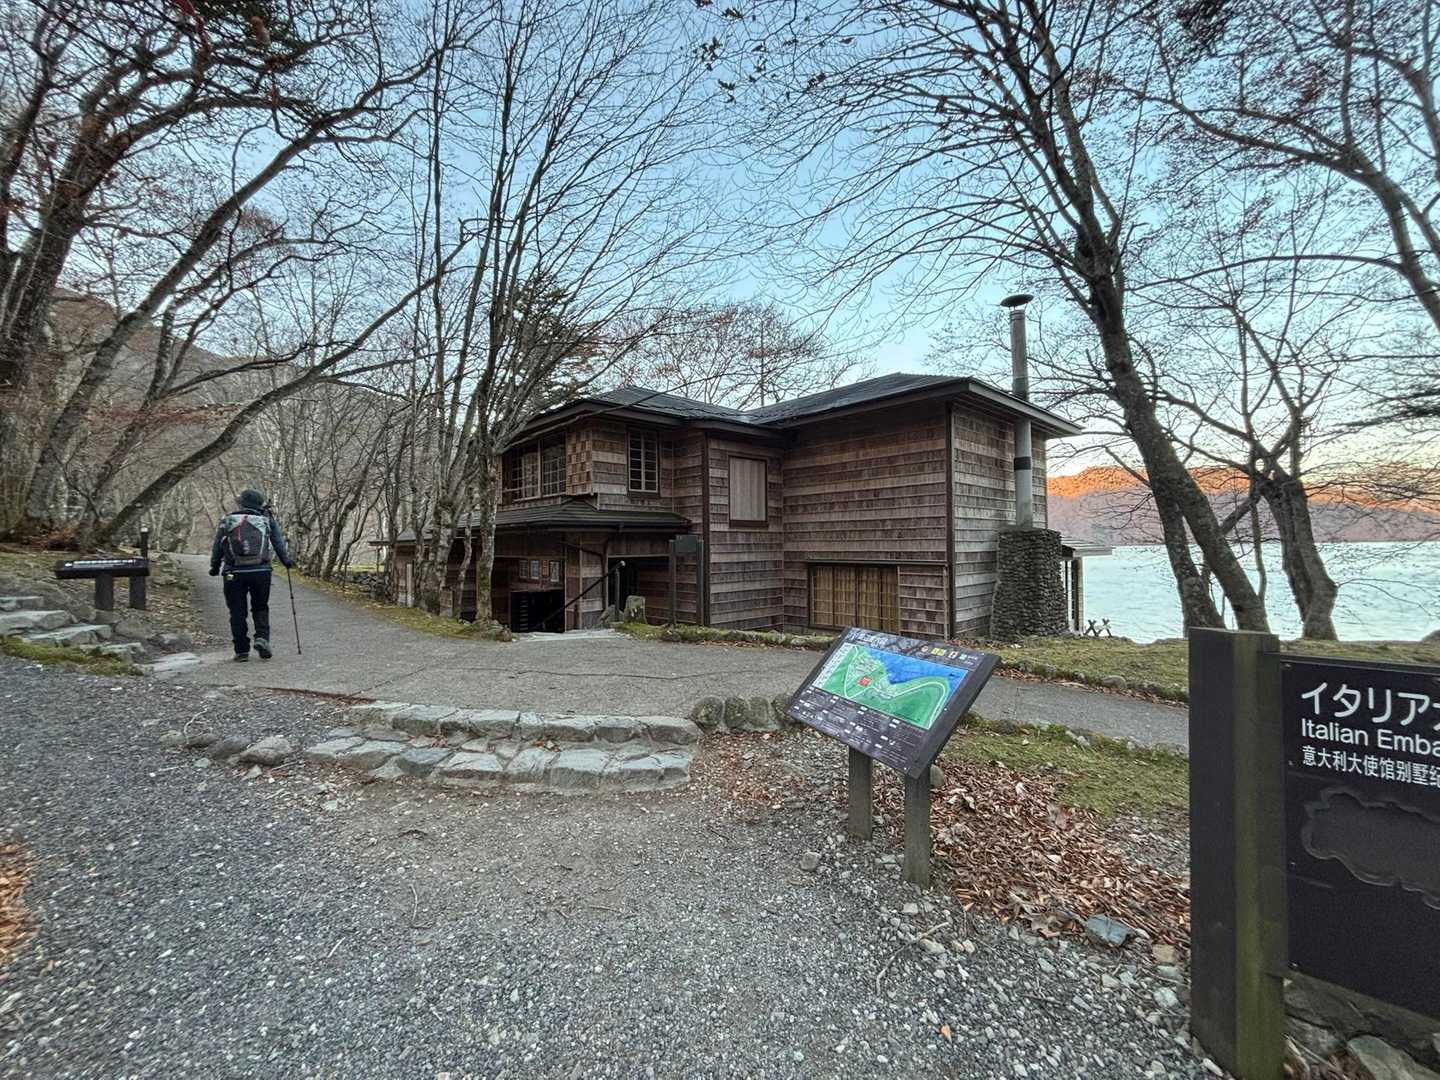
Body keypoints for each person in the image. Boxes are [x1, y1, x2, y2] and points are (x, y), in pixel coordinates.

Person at [209, 489, 294, 661]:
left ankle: (241, 651)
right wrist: (286, 561)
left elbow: (218, 546)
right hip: (261, 571)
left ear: (241, 503)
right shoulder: (266, 520)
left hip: (233, 572)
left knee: (237, 611)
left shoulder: (228, 520)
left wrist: (215, 566)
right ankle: (262, 638)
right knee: (260, 607)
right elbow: (278, 542)